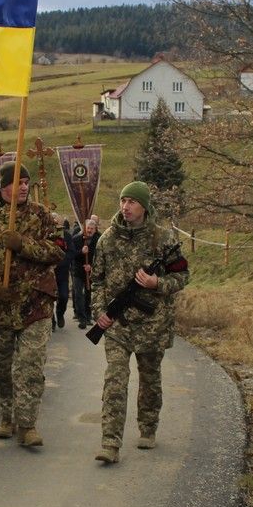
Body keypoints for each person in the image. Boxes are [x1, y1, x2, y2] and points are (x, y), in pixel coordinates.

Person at [0, 162, 65, 447]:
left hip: (35, 305)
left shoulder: (41, 216)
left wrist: (24, 245)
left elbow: (58, 250)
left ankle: (28, 424)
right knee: (2, 367)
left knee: (30, 366)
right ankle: (6, 417)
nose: (22, 187)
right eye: (17, 182)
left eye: (26, 183)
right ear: (1, 185)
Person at [91, 181, 189, 464]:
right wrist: (100, 310)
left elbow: (183, 276)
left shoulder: (164, 240)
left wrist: (157, 282)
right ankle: (110, 443)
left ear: (144, 206)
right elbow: (96, 280)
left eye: (132, 202)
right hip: (118, 324)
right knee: (115, 380)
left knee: (150, 379)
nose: (126, 207)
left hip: (152, 323)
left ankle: (148, 428)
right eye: (123, 201)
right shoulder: (107, 239)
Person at [69, 217, 100, 329]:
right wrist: (81, 252)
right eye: (88, 228)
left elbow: (100, 257)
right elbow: (71, 255)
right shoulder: (77, 239)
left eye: (92, 228)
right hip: (77, 270)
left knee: (88, 294)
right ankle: (81, 318)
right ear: (84, 228)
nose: (90, 230)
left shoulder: (98, 240)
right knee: (78, 294)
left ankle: (88, 316)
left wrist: (91, 266)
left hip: (91, 271)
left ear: (95, 229)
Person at [53, 216, 72, 329]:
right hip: (48, 273)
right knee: (48, 300)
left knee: (64, 296)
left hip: (62, 273)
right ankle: (51, 321)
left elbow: (71, 251)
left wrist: (61, 261)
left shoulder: (66, 236)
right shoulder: (45, 234)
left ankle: (60, 314)